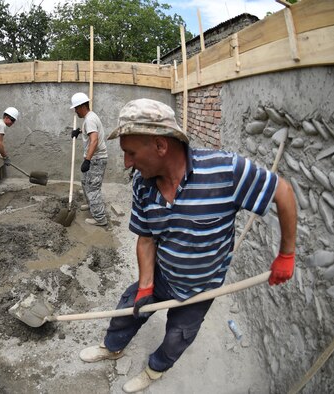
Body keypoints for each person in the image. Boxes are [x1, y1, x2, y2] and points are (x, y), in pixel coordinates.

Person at [79, 98, 297, 392]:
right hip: (162, 276)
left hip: (202, 288)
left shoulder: (226, 171)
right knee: (129, 309)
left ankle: (155, 369)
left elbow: (282, 192)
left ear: (160, 146)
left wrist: (286, 255)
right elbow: (146, 239)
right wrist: (146, 286)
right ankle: (113, 347)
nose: (127, 162)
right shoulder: (143, 185)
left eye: (131, 153)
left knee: (178, 336)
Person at [70, 92, 108, 226]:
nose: (75, 111)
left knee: (93, 189)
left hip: (96, 159)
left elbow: (94, 140)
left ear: (82, 106)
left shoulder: (90, 119)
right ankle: (91, 204)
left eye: (76, 108)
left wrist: (87, 160)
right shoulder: (89, 118)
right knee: (85, 182)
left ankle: (100, 218)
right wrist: (79, 132)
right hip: (93, 158)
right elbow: (90, 131)